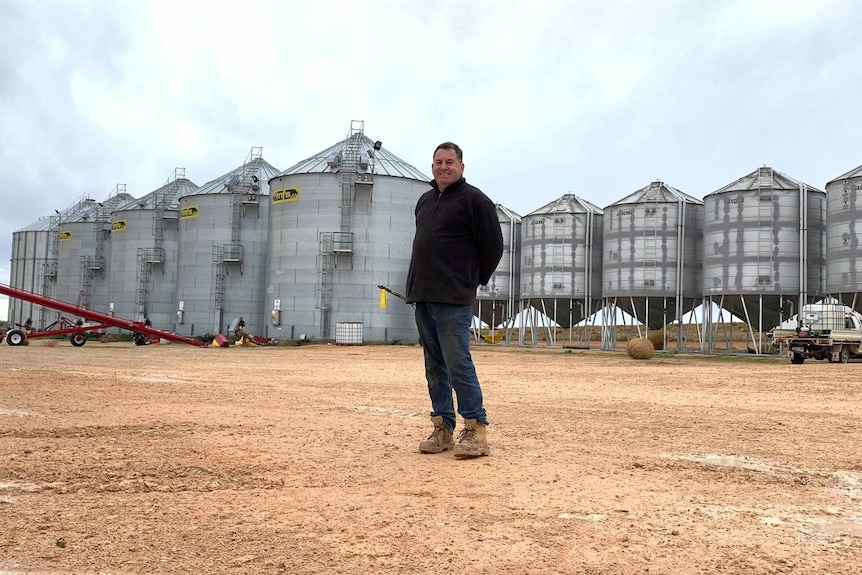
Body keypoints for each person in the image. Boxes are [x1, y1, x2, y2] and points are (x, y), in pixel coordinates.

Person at [405, 142, 504, 458]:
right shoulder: (425, 200)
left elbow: (493, 247)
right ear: (432, 166)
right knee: (434, 365)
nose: (443, 167)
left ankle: (476, 430)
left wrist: (470, 280)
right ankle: (442, 428)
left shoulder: (475, 201)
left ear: (461, 166)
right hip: (424, 295)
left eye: (449, 162)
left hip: (453, 297)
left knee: (458, 363)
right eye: (437, 162)